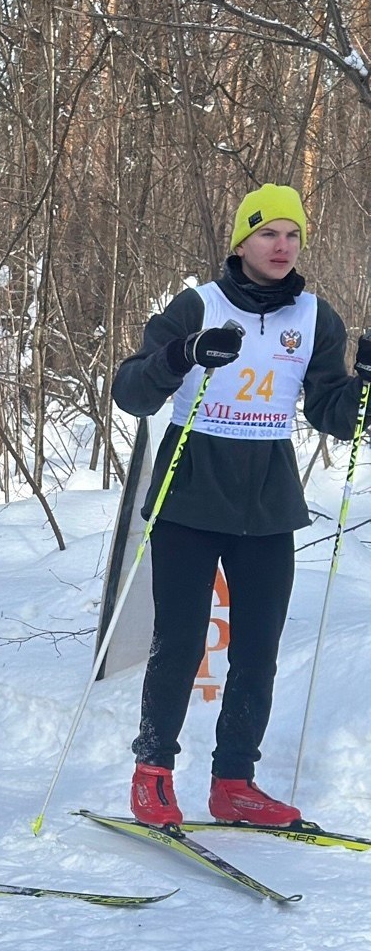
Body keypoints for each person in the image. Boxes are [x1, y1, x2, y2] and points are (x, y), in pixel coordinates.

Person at [110, 184, 369, 827]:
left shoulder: (315, 317)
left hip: (267, 493)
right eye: (266, 234)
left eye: (292, 236)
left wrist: (366, 383)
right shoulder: (199, 304)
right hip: (191, 483)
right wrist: (184, 353)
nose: (281, 247)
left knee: (258, 645)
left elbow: (333, 414)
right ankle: (153, 774)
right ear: (240, 242)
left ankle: (234, 781)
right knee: (182, 640)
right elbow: (132, 392)